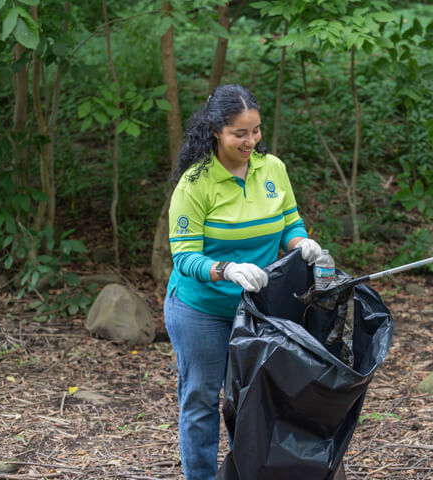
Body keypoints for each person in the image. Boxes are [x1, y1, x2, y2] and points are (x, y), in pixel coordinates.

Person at [164, 84, 323, 480]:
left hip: (257, 308)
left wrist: (301, 243)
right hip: (201, 308)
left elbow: (289, 222)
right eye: (240, 133)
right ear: (216, 130)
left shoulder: (273, 169)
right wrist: (226, 269)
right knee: (201, 397)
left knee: (253, 400)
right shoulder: (195, 183)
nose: (250, 140)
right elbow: (184, 257)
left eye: (256, 131)